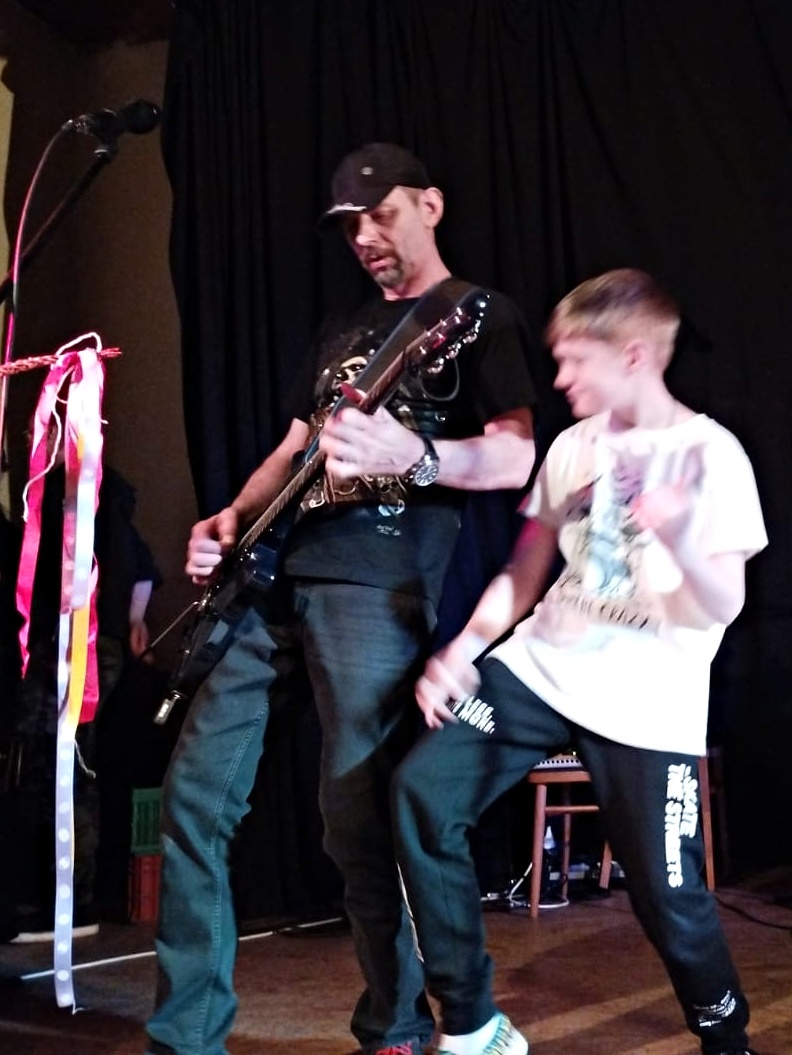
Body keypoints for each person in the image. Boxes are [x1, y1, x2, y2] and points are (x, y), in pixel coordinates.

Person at [145, 143, 537, 1055]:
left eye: (382, 214)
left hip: (374, 581)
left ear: (430, 205)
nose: (365, 236)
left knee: (355, 822)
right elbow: (294, 449)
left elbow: (518, 455)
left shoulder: (477, 315)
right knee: (193, 801)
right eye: (351, 224)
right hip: (266, 576)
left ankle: (393, 1025)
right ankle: (185, 1037)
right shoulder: (341, 326)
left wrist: (419, 456)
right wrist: (230, 519)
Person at [392, 268, 767, 1055]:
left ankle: (726, 1038)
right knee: (422, 793)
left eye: (573, 360)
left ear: (633, 356)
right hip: (544, 665)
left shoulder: (711, 455)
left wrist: (674, 532)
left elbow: (722, 604)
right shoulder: (573, 447)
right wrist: (462, 649)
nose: (558, 377)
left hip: (648, 696)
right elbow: (526, 569)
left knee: (668, 895)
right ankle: (471, 1023)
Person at [2, 464, 160, 943]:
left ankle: (54, 903)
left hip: (71, 645)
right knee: (75, 767)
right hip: (100, 644)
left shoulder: (67, 511)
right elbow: (146, 572)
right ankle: (73, 898)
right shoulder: (117, 518)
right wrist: (133, 625)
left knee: (48, 767)